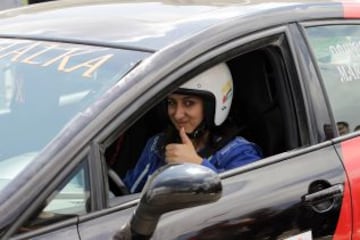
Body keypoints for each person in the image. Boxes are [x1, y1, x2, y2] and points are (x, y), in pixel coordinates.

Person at [123, 63, 262, 193]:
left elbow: (246, 198)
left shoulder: (239, 152)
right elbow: (127, 194)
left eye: (189, 103)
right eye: (171, 102)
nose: (177, 115)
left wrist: (198, 165)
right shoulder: (157, 145)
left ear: (213, 106)